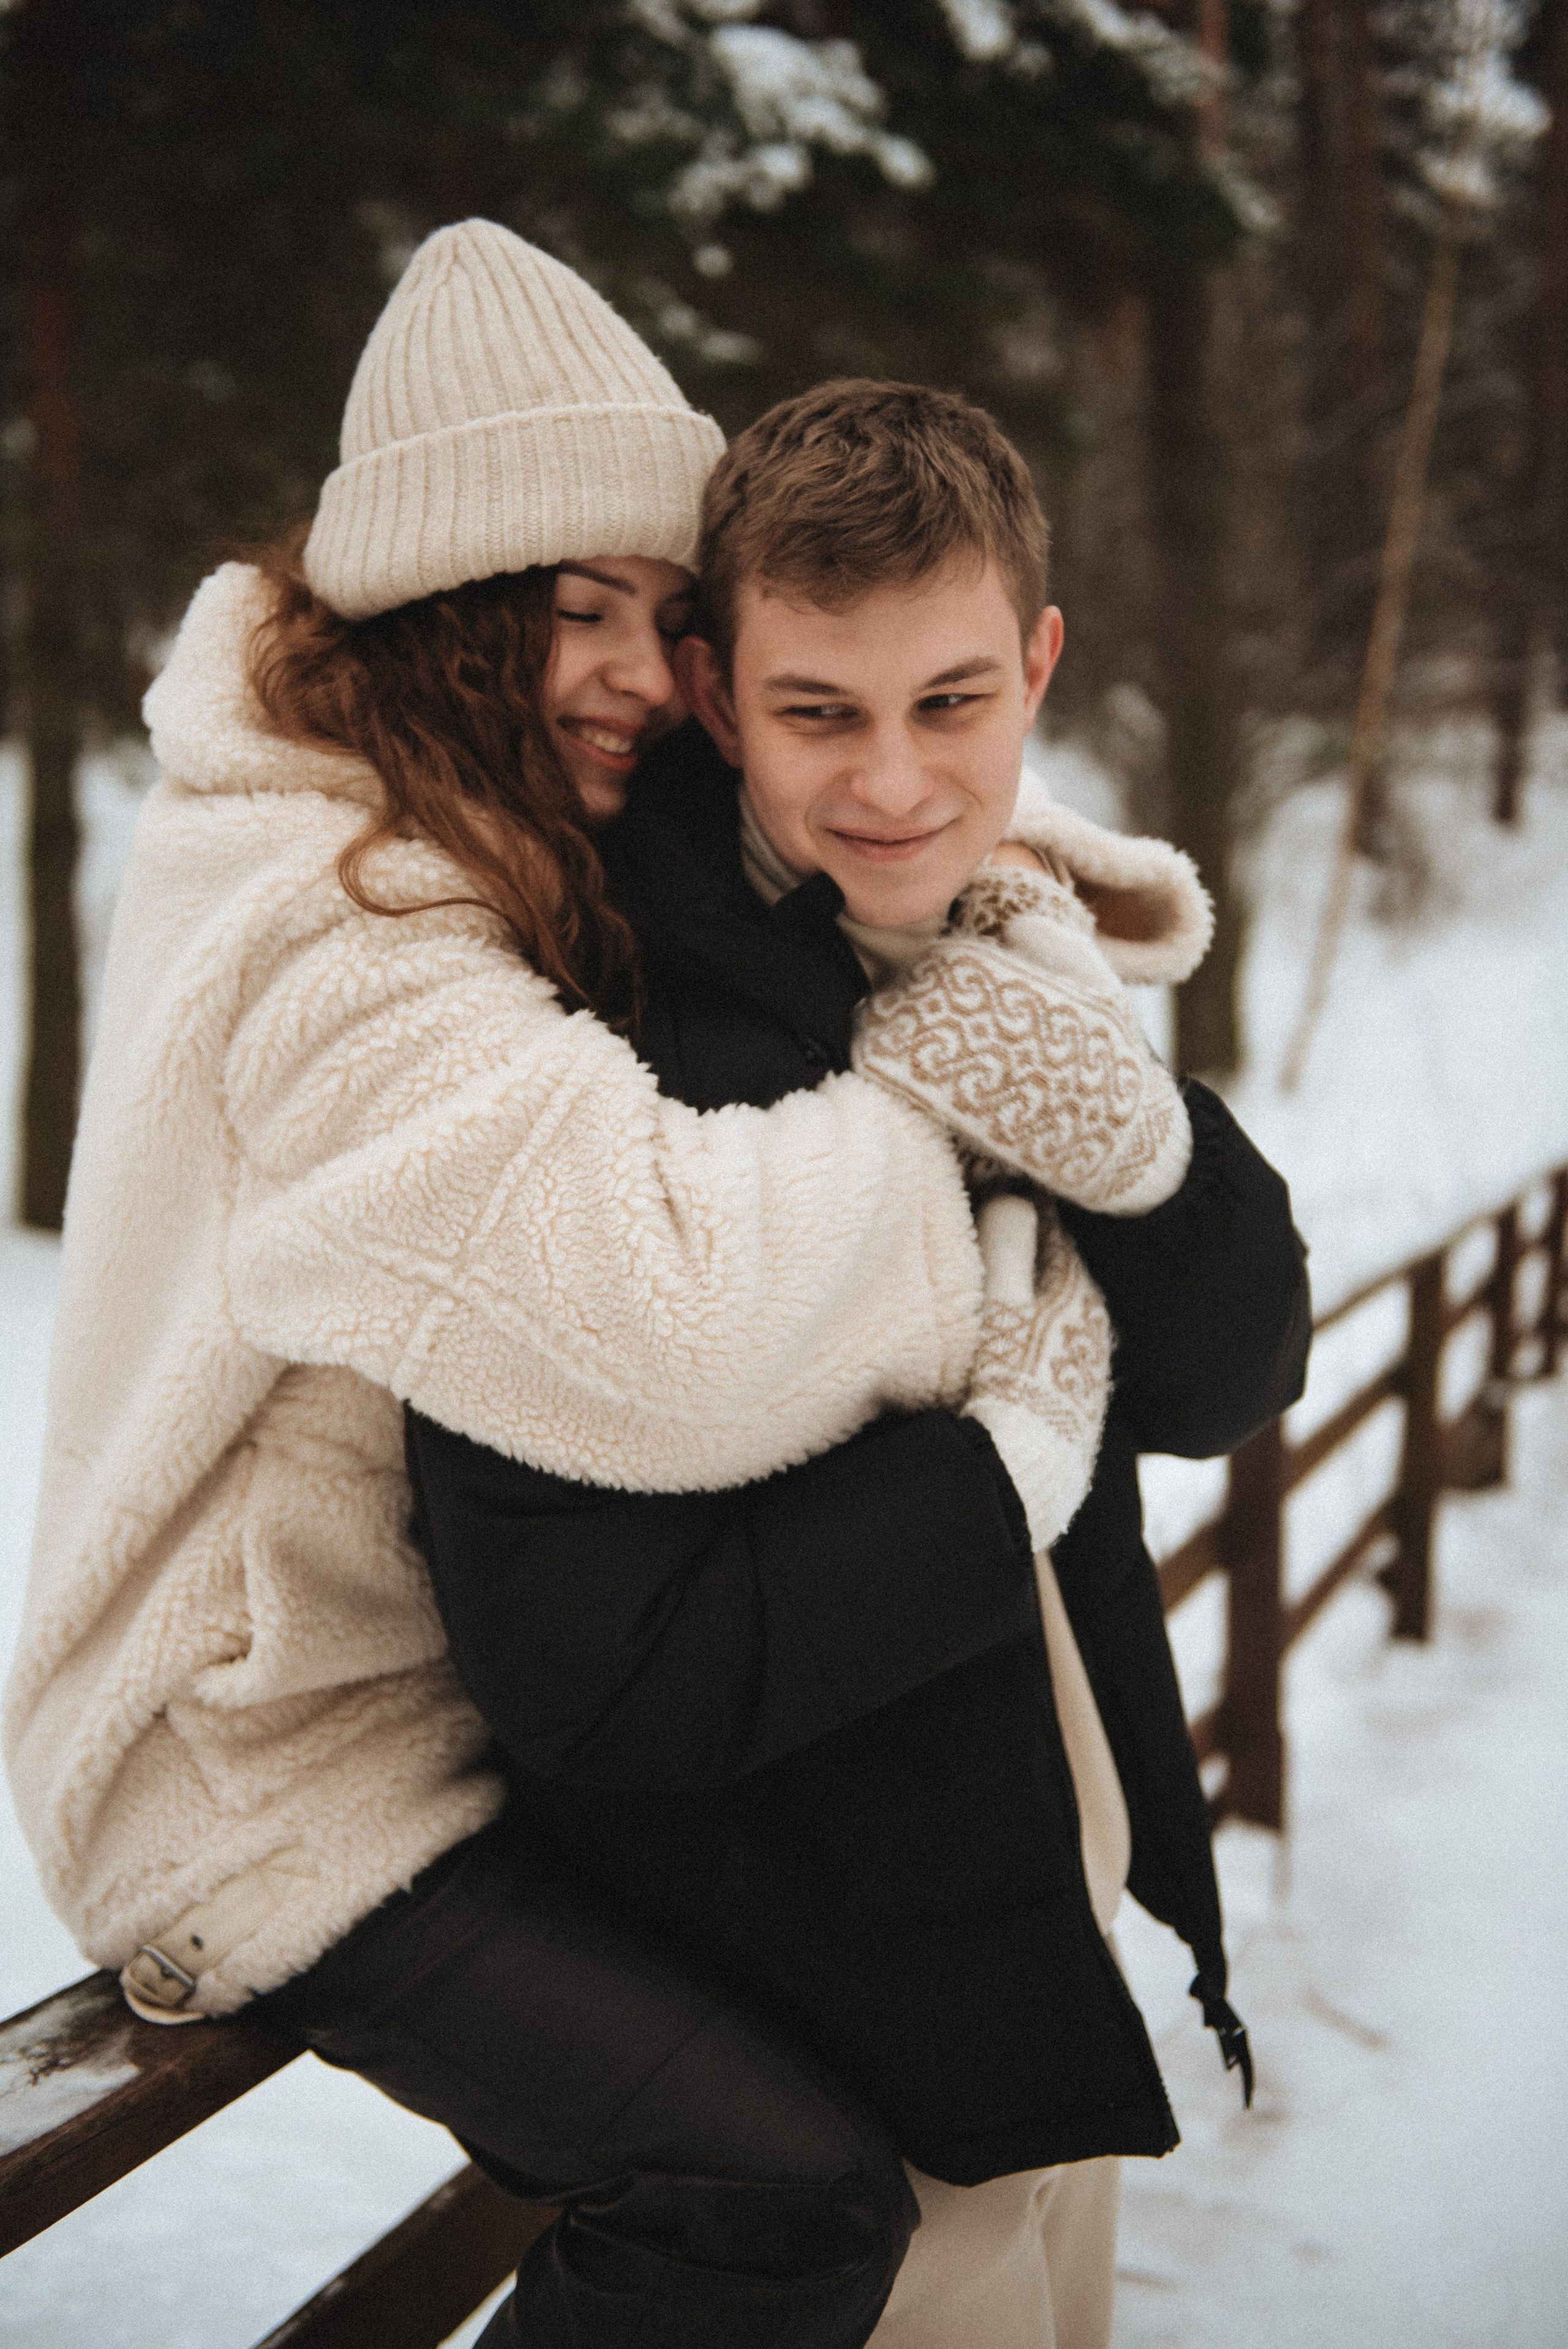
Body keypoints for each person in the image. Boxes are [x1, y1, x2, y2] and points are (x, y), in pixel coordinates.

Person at [0, 223, 1195, 2349]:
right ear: (446, 612)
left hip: (434, 1708)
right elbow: (676, 1326)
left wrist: (990, 885)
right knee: (773, 2190)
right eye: (580, 612)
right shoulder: (338, 923)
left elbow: (879, 746)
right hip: (266, 1778)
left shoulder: (437, 816)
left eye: (671, 616)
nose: (652, 676)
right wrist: (977, 1148)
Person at [400, 380, 1313, 2347]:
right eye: (821, 713)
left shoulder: (1007, 943)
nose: (896, 780)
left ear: (1042, 665)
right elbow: (594, 1682)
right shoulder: (600, 1053)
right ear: (716, 695)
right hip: (836, 2042)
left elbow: (1229, 1384)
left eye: (953, 702)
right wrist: (1006, 1464)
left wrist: (1135, 1142)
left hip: (1042, 1962)